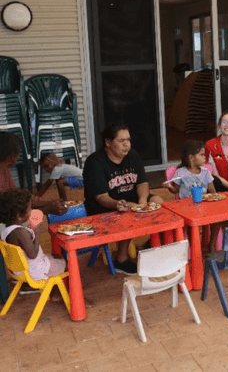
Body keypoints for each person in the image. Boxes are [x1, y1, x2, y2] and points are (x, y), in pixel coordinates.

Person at [83, 123, 162, 275]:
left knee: (159, 202)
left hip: (132, 199)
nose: (127, 145)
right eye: (121, 141)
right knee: (128, 213)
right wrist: (119, 204)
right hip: (103, 206)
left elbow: (142, 182)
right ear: (108, 142)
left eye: (128, 140)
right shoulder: (95, 162)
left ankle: (150, 246)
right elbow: (101, 197)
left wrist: (143, 201)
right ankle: (121, 259)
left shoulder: (133, 156)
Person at [0, 189, 66, 297]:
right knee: (67, 264)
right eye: (29, 209)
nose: (31, 211)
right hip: (35, 272)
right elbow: (33, 254)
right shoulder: (21, 232)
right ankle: (59, 293)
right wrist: (37, 232)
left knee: (55, 256)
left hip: (19, 271)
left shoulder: (6, 230)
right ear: (19, 216)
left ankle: (53, 289)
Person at [0, 132, 67, 216]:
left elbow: (16, 200)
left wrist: (51, 203)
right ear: (13, 155)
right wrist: (47, 209)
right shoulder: (3, 169)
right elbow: (12, 215)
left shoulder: (4, 168)